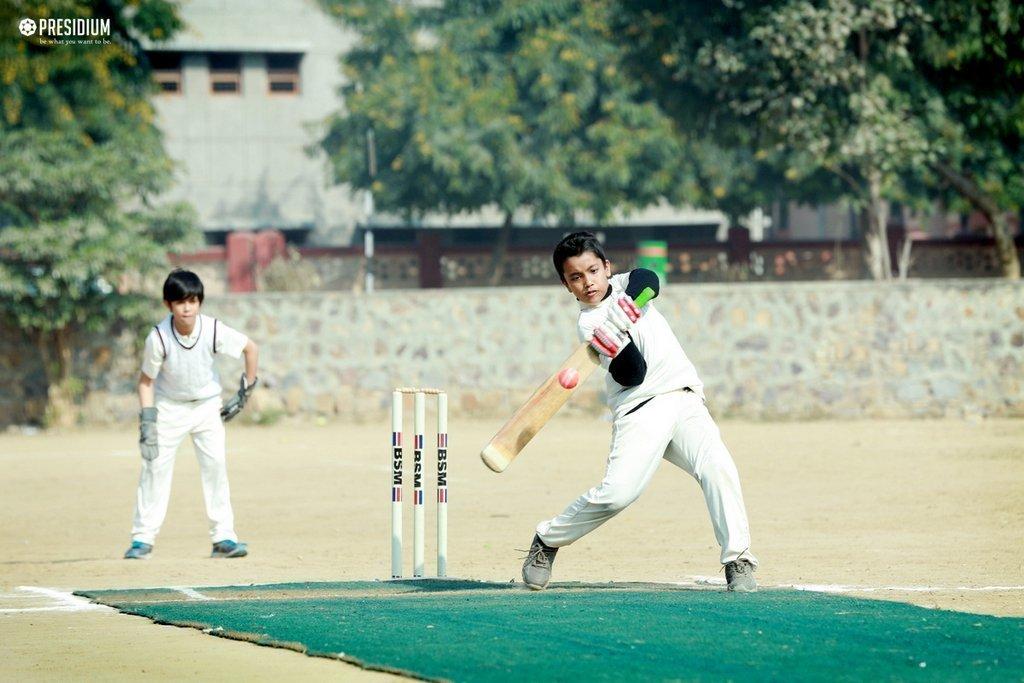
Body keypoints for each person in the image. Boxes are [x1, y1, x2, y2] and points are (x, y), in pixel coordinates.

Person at [521, 232, 758, 591]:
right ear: (566, 285)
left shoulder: (624, 284)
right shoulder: (590, 327)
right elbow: (634, 372)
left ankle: (738, 560)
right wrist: (613, 333)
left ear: (606, 268)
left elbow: (650, 280)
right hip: (641, 410)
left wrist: (624, 310)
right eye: (576, 278)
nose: (588, 283)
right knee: (619, 493)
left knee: (718, 467)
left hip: (684, 396)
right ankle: (548, 539)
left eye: (592, 271)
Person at [123, 269, 258, 560]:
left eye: (193, 301)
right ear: (168, 304)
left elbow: (250, 348)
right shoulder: (158, 337)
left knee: (216, 467)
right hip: (170, 407)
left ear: (200, 303)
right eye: (180, 301)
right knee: (154, 467)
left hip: (207, 406)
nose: (187, 308)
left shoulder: (212, 329)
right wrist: (148, 420)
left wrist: (245, 392)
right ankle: (142, 539)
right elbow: (146, 381)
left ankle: (223, 538)